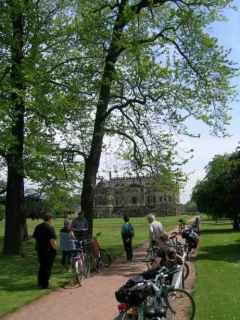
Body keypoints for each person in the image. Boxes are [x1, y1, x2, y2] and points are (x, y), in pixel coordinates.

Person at [33, 213, 57, 289]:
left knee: (42, 266)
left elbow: (35, 238)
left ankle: (40, 282)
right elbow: (52, 240)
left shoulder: (38, 227)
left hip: (40, 250)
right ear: (50, 219)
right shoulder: (50, 228)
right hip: (49, 250)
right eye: (52, 219)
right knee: (47, 267)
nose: (52, 220)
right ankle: (45, 284)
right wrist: (55, 249)